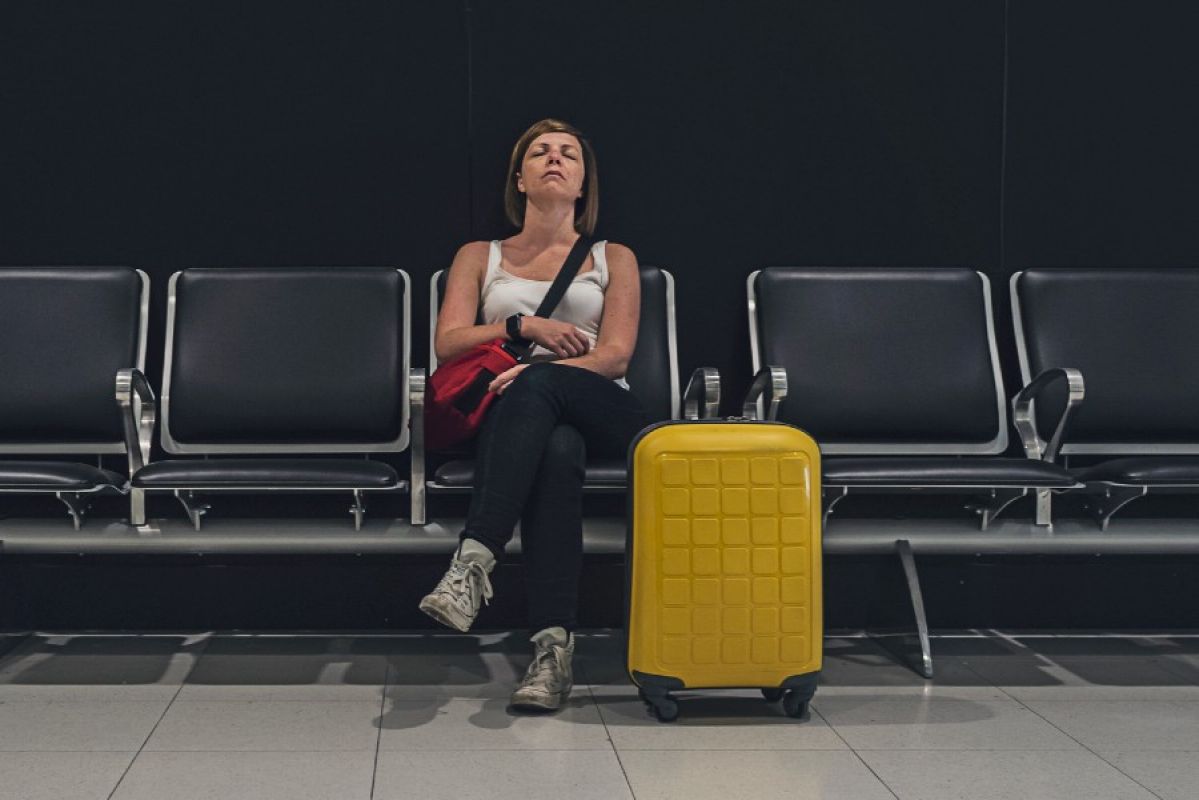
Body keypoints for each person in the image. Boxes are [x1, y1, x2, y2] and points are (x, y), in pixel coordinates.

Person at [419, 119, 649, 711]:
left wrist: (544, 370)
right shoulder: (479, 255)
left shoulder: (611, 256)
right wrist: (523, 327)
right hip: (513, 416)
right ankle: (552, 653)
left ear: (581, 184)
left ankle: (475, 560)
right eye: (539, 152)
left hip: (602, 405)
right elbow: (449, 343)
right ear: (519, 179)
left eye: (568, 154)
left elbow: (616, 353)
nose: (554, 159)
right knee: (556, 451)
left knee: (548, 391)